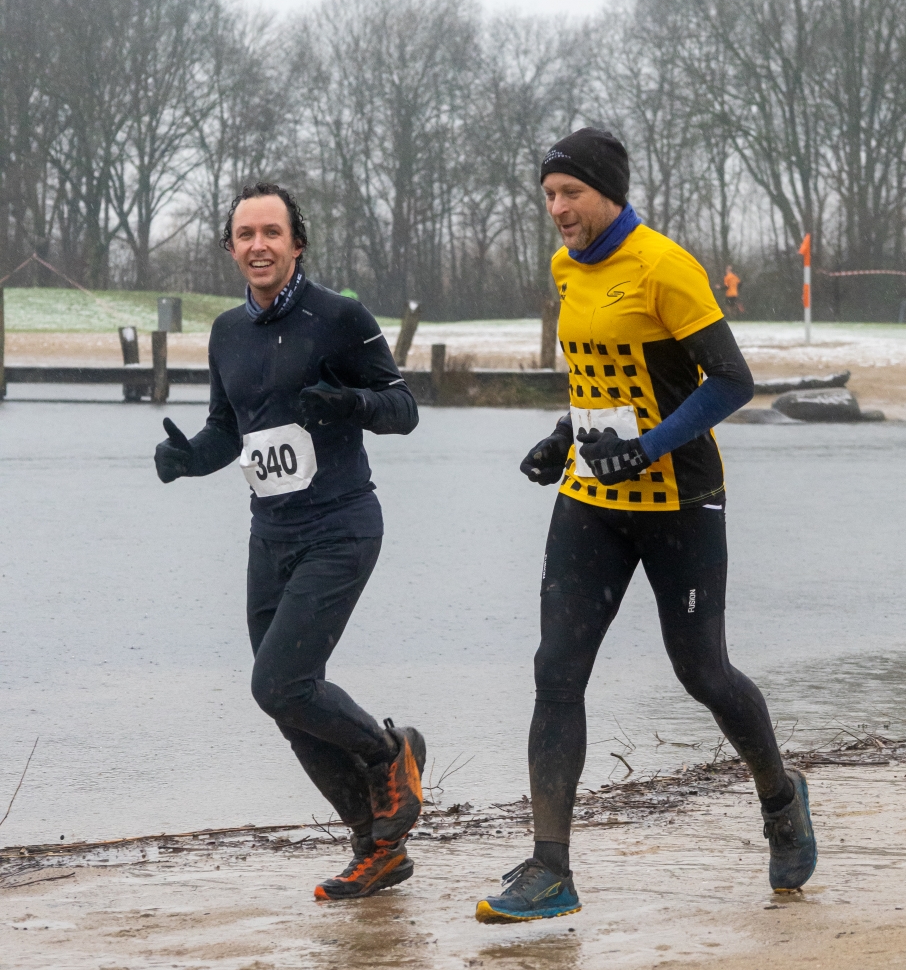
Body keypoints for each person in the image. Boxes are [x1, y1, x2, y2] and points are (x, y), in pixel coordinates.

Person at [475, 129, 816, 924]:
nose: (558, 209)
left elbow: (731, 382)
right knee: (556, 671)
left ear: (609, 193)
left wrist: (650, 447)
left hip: (680, 501)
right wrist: (564, 435)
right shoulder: (566, 267)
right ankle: (550, 869)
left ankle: (779, 797)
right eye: (549, 195)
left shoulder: (665, 266)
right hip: (593, 498)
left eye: (571, 193)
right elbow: (604, 376)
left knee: (703, 673)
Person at [154, 182, 425, 901]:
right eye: (245, 234)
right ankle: (377, 847)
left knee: (279, 683)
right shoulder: (226, 333)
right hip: (269, 536)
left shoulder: (339, 318)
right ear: (230, 248)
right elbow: (228, 431)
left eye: (271, 232)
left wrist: (351, 403)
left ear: (296, 243)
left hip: (341, 526)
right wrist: (189, 459)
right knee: (287, 701)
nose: (259, 245)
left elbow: (404, 408)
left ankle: (390, 754)